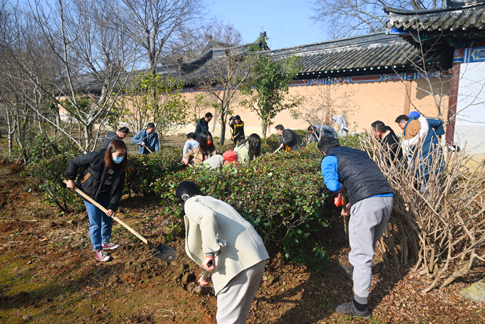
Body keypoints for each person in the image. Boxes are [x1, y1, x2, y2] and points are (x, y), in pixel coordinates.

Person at [318, 136, 393, 319]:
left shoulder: (329, 158)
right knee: (367, 248)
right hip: (386, 198)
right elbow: (366, 180)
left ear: (323, 151)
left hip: (367, 205)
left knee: (361, 256)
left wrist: (342, 190)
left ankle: (360, 307)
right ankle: (356, 271)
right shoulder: (358, 153)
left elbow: (333, 185)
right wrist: (351, 204)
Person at [175, 181, 269, 323]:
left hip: (238, 266)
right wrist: (207, 271)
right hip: (256, 257)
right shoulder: (212, 201)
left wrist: (209, 254)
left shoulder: (191, 202)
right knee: (240, 316)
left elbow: (207, 216)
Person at [66, 140, 129, 262]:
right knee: (95, 222)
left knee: (108, 218)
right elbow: (74, 162)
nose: (121, 158)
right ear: (110, 152)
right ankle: (98, 249)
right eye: (119, 155)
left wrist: (112, 206)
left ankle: (105, 241)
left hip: (105, 194)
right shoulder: (96, 157)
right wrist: (70, 178)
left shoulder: (121, 168)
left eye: (123, 155)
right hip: (90, 193)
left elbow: (118, 189)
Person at [395, 114, 445, 180]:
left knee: (423, 178)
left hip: (422, 160)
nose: (400, 127)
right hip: (435, 154)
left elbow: (410, 145)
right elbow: (438, 123)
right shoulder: (423, 121)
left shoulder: (408, 130)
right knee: (435, 175)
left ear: (404, 122)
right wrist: (439, 135)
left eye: (399, 125)